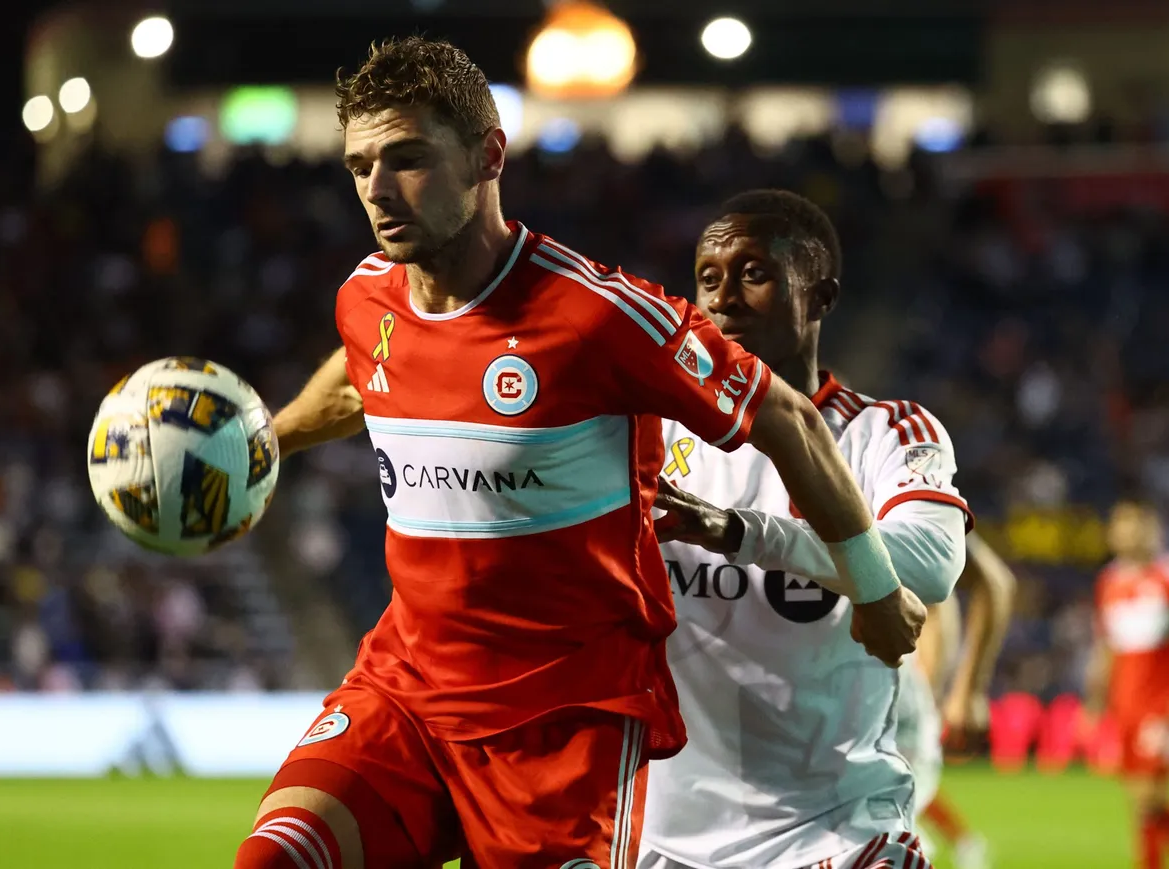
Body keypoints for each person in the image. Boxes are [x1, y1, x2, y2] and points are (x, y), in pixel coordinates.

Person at [235, 39, 927, 869]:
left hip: (563, 726)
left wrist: (875, 587)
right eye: (359, 166)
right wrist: (266, 442)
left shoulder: (597, 317)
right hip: (406, 692)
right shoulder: (368, 295)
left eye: (407, 158)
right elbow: (359, 381)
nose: (378, 190)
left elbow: (789, 416)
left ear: (489, 154)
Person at [643, 189, 975, 869]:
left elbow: (931, 563)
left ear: (820, 297)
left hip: (834, 833)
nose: (724, 299)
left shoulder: (883, 432)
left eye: (754, 273)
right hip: (661, 840)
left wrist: (742, 532)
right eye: (708, 278)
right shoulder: (648, 429)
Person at [1082, 499, 1169, 869]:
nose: (1126, 533)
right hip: (1125, 701)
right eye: (1120, 525)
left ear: (1152, 529)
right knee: (1141, 795)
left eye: (1135, 525)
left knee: (1147, 795)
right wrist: (1096, 700)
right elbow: (1106, 646)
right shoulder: (1109, 580)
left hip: (1162, 700)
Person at [898, 533, 1016, 869]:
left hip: (894, 696)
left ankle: (954, 843)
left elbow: (993, 581)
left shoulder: (901, 492)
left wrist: (968, 689)